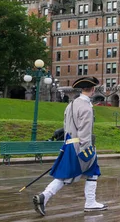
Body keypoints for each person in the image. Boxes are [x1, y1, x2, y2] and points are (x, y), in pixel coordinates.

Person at [33, 77, 107, 216]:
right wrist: (87, 150)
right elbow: (84, 131)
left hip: (69, 144)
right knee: (93, 171)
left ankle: (44, 196)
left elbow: (67, 126)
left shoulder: (71, 104)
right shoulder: (86, 107)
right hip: (81, 146)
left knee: (65, 175)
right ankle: (90, 203)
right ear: (92, 89)